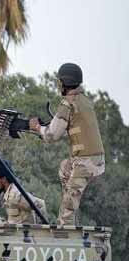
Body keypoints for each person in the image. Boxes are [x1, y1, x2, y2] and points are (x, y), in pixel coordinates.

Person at [29, 63, 105, 225]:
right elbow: (69, 129)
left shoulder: (67, 104)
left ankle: (65, 231)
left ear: (64, 83)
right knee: (64, 169)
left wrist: (36, 128)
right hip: (94, 159)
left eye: (59, 82)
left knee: (68, 205)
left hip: (85, 162)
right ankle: (71, 210)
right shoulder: (84, 100)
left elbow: (51, 136)